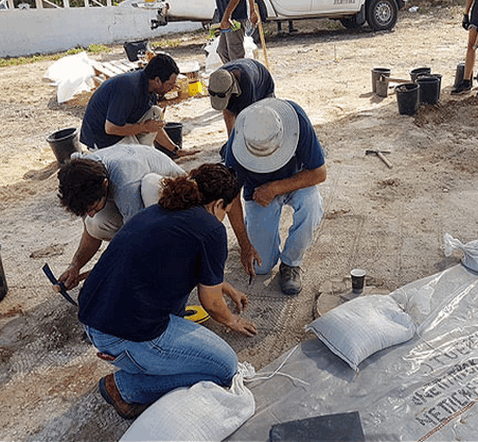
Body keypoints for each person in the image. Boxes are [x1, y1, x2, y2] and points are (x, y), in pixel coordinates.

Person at [78, 163, 257, 419]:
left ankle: (152, 362)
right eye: (227, 210)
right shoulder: (211, 229)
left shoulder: (161, 211)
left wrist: (225, 286)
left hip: (96, 319)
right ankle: (124, 387)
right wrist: (232, 320)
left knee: (194, 343)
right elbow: (210, 302)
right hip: (123, 336)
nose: (225, 215)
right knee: (225, 367)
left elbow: (190, 267)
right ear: (218, 204)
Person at [220, 98, 326, 296]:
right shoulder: (239, 139)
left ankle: (291, 263)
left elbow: (320, 173)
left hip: (296, 180)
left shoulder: (297, 120)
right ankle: (253, 229)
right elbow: (231, 197)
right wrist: (244, 244)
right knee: (261, 267)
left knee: (312, 206)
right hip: (258, 190)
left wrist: (275, 187)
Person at [56, 144, 185, 290]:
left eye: (92, 208)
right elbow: (90, 235)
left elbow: (136, 236)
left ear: (105, 184)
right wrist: (76, 265)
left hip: (180, 205)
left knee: (150, 186)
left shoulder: (125, 181)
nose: (90, 213)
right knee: (94, 223)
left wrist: (110, 269)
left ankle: (170, 256)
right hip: (143, 209)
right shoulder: (83, 176)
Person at [79, 53, 194, 157]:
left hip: (118, 130)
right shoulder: (129, 89)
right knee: (141, 160)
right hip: (102, 139)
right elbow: (110, 128)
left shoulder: (149, 87)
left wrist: (175, 150)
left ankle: (141, 151)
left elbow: (154, 127)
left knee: (155, 112)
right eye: (170, 84)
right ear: (158, 80)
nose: (172, 88)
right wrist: (144, 127)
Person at [208, 58, 275, 134]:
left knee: (265, 118)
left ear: (232, 90)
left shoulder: (247, 82)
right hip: (239, 76)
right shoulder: (217, 78)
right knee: (230, 111)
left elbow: (248, 116)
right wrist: (231, 139)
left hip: (261, 81)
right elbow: (228, 114)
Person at [215, 0, 259, 64]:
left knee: (235, 54)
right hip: (225, 18)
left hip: (234, 19)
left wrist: (227, 16)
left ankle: (240, 72)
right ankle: (233, 72)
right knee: (222, 50)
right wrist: (252, 9)